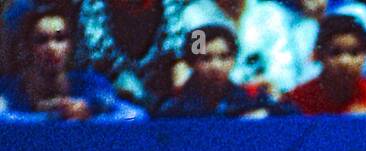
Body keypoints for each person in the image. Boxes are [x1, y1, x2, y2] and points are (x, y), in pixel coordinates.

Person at [0, 2, 146, 120]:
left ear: (70, 45)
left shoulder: (93, 86)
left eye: (60, 38)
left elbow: (136, 116)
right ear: (27, 47)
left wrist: (90, 114)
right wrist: (47, 116)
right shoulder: (8, 90)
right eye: (42, 40)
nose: (52, 48)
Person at [154, 23, 295, 116]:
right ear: (191, 62)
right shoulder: (174, 107)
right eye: (206, 58)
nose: (216, 66)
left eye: (224, 57)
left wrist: (266, 113)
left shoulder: (251, 99)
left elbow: (291, 117)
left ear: (234, 59)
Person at [76, 0, 190, 110]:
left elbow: (187, 49)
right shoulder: (90, 8)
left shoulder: (181, 9)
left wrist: (183, 64)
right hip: (110, 104)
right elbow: (93, 64)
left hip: (167, 100)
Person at [180, 0, 304, 96]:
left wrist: (266, 83)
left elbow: (285, 70)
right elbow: (195, 63)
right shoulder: (195, 17)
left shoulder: (270, 14)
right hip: (213, 104)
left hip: (263, 100)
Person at [285, 12, 366, 113]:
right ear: (318, 54)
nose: (345, 62)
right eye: (335, 53)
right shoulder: (297, 100)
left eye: (354, 53)